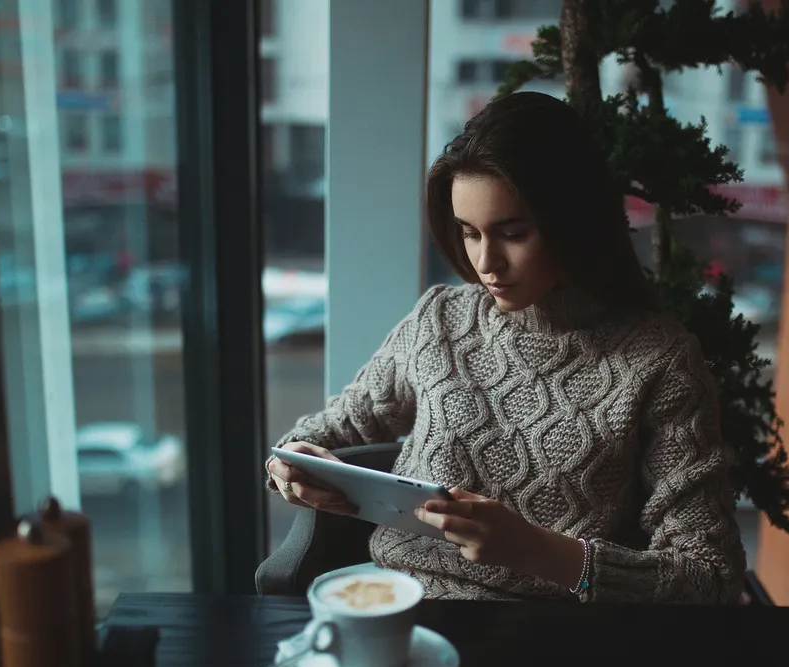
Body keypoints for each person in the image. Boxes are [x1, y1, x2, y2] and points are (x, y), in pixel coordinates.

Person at [265, 92, 746, 604]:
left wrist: (535, 550)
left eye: (512, 233)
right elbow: (329, 430)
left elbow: (709, 576)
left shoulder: (660, 359)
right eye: (468, 233)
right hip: (394, 604)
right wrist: (289, 465)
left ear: (575, 223)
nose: (485, 262)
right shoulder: (441, 319)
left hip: (543, 636)